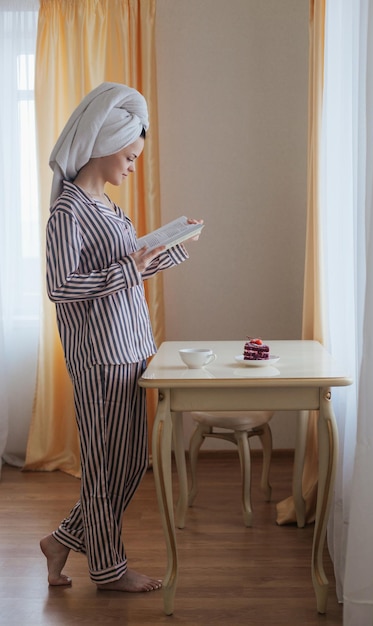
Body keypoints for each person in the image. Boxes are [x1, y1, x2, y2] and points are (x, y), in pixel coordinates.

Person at [40, 82, 202, 593]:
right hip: (98, 355)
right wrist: (130, 264)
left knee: (130, 461)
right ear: (106, 146)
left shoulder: (107, 206)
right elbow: (60, 287)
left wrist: (170, 244)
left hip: (133, 347)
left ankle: (62, 540)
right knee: (104, 467)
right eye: (130, 156)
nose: (132, 165)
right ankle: (108, 570)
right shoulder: (68, 210)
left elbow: (126, 270)